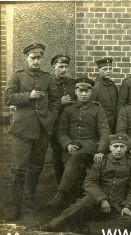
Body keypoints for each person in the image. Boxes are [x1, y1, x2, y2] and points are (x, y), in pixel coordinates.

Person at [42, 134, 131, 234]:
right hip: (96, 201)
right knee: (80, 205)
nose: (118, 149)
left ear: (126, 148)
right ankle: (52, 225)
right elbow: (90, 182)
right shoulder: (102, 161)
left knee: (128, 221)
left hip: (116, 205)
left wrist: (127, 206)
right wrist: (102, 199)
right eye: (116, 146)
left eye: (122, 146)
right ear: (110, 148)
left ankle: (88, 228)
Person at [3, 43, 60, 219]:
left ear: (42, 59)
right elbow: (7, 98)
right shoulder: (18, 76)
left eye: (39, 58)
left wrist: (50, 118)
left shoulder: (47, 78)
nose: (36, 61)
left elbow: (55, 101)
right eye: (33, 58)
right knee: (20, 168)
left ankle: (29, 200)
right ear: (27, 58)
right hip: (23, 129)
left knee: (36, 167)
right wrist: (29, 96)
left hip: (42, 130)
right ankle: (15, 206)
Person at [46, 77, 111, 209]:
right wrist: (68, 144)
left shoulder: (97, 109)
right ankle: (73, 204)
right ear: (75, 91)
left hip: (90, 148)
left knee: (75, 157)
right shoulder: (69, 109)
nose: (83, 94)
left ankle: (61, 194)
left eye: (87, 91)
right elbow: (61, 131)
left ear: (91, 92)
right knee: (72, 158)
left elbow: (105, 132)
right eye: (80, 91)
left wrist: (100, 150)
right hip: (72, 147)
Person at [50, 54, 76, 185]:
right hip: (55, 126)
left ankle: (69, 186)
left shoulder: (72, 83)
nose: (63, 70)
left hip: (70, 126)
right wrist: (60, 102)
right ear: (54, 66)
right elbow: (43, 106)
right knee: (57, 155)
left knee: (70, 155)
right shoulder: (48, 83)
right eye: (60, 66)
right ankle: (59, 185)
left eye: (66, 67)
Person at [92, 57, 118, 133]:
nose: (108, 71)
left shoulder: (113, 85)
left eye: (110, 69)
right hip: (102, 124)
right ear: (99, 70)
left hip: (114, 123)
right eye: (105, 69)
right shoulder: (95, 86)